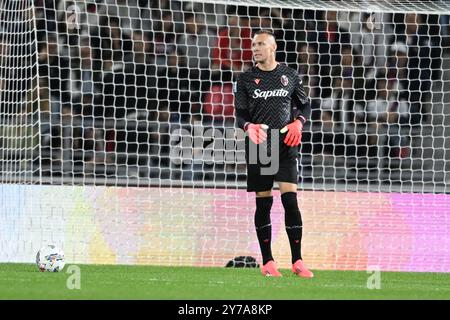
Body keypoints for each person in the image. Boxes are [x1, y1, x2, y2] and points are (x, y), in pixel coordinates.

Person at [234, 30, 313, 278]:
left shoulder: (289, 76)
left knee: (290, 200)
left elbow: (306, 104)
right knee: (264, 201)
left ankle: (297, 261)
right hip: (261, 144)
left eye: (261, 44)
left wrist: (299, 122)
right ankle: (268, 262)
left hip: (286, 142)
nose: (255, 48)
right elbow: (240, 114)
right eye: (253, 44)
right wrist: (248, 127)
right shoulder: (246, 79)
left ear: (273, 47)